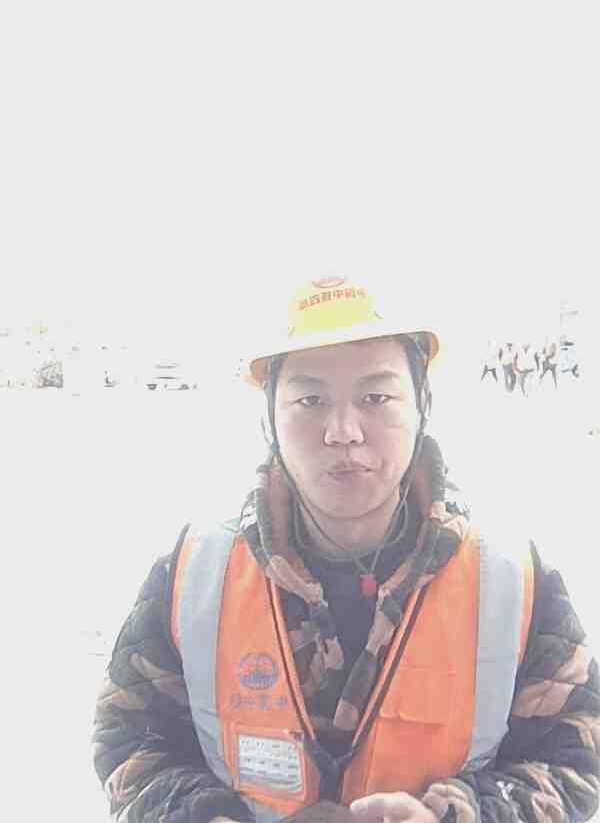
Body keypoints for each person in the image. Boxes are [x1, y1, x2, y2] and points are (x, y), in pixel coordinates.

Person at [93, 275, 600, 823]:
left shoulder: (509, 579)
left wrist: (458, 815)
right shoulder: (197, 572)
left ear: (422, 403)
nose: (342, 431)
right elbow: (130, 742)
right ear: (269, 416)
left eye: (376, 397)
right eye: (310, 400)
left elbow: (578, 759)